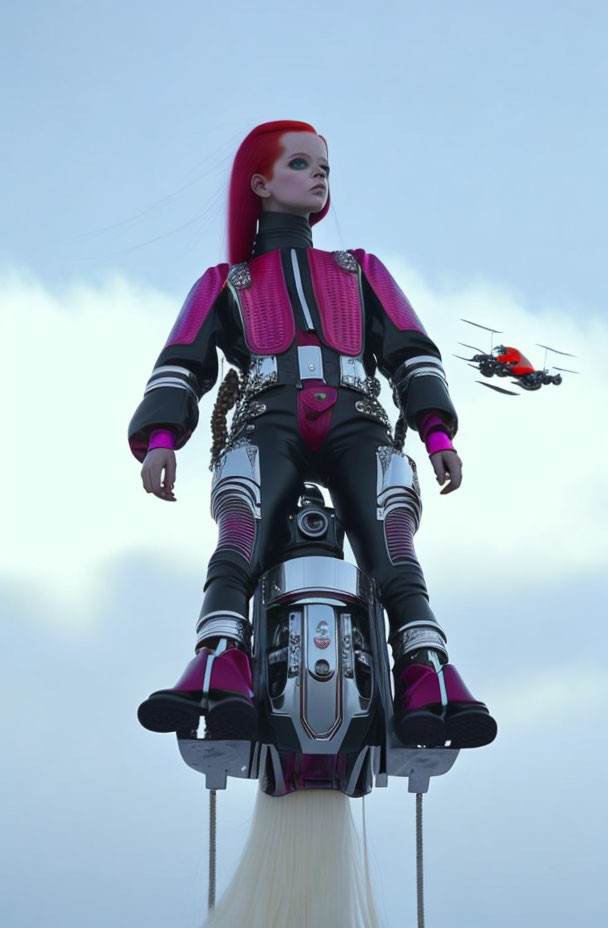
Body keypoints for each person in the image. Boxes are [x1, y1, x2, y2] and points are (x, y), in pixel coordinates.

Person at [128, 120, 497, 749]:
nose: (320, 174)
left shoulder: (362, 270)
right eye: (301, 164)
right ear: (261, 182)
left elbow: (412, 353)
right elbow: (182, 361)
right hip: (267, 415)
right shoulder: (226, 282)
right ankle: (220, 658)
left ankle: (425, 671)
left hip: (358, 415)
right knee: (239, 531)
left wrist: (437, 433)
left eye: (323, 165)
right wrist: (162, 436)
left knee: (394, 547)